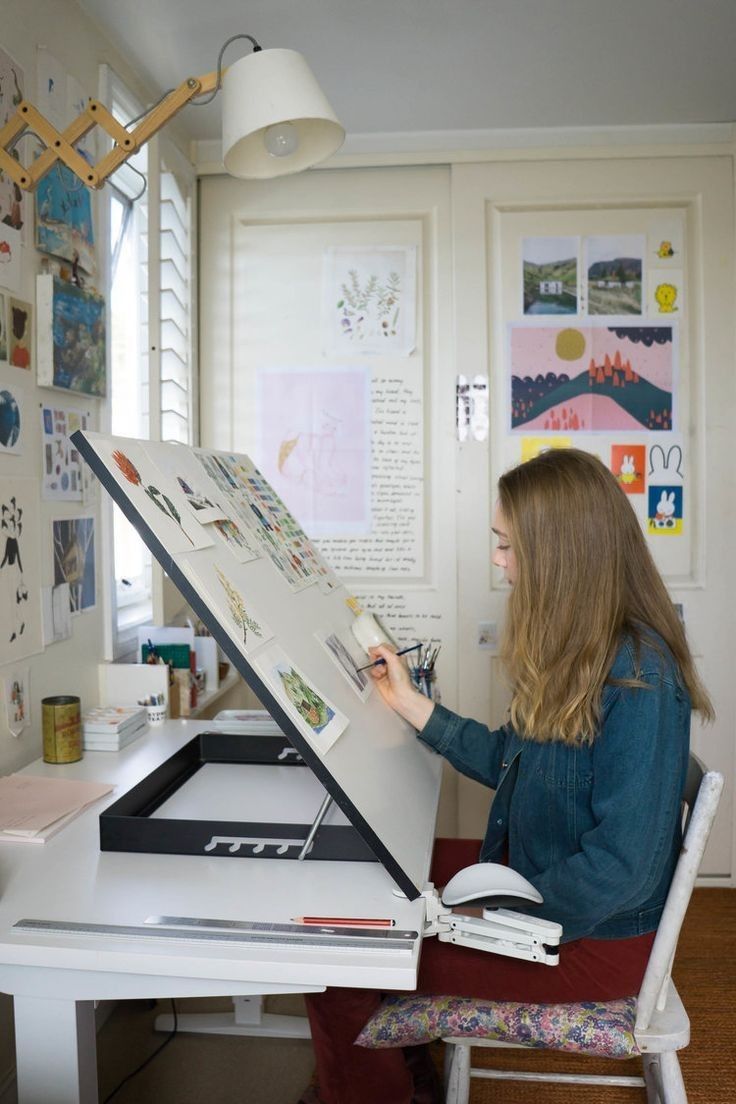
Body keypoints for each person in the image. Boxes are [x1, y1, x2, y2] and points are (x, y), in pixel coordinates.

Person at [299, 448, 713, 1104]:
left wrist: (494, 918)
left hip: (591, 938)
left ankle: (379, 1086)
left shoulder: (642, 675)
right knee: (375, 884)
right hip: (539, 882)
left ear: (560, 555)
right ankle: (402, 1071)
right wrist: (409, 703)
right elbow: (506, 759)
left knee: (340, 964)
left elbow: (617, 867)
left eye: (505, 545)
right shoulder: (575, 646)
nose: (497, 560)